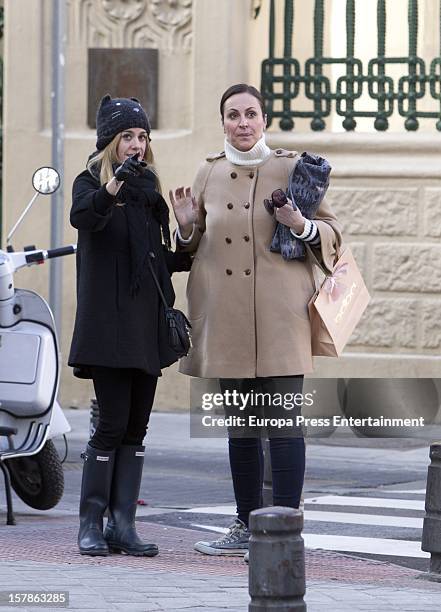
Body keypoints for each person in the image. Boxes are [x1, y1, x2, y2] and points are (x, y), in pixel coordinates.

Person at [170, 83, 341, 556]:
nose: (242, 123)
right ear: (222, 121)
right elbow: (191, 246)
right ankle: (245, 525)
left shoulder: (292, 168)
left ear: (264, 119)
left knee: (285, 427)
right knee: (241, 431)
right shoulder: (208, 173)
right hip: (225, 318)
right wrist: (184, 225)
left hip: (280, 316)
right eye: (232, 115)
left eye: (250, 114)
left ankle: (285, 533)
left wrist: (299, 224)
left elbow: (332, 235)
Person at [69, 94, 190, 557]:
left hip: (145, 331)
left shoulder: (148, 194)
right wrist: (114, 184)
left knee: (137, 428)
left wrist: (185, 228)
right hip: (107, 330)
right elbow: (84, 217)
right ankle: (90, 525)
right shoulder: (90, 184)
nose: (137, 145)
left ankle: (124, 525)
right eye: (128, 138)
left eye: (142, 137)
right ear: (110, 143)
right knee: (111, 425)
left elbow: (164, 263)